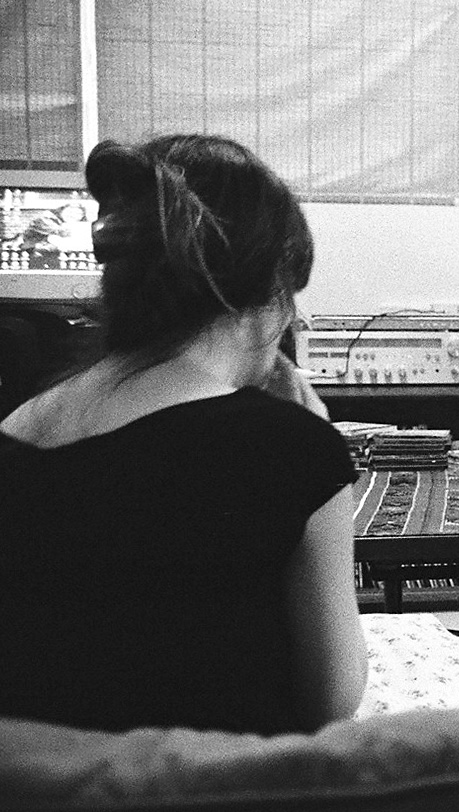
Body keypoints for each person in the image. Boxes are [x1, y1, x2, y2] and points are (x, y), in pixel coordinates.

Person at [0, 134, 367, 735]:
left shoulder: (15, 426)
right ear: (265, 291)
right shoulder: (292, 451)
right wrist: (318, 442)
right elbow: (330, 703)